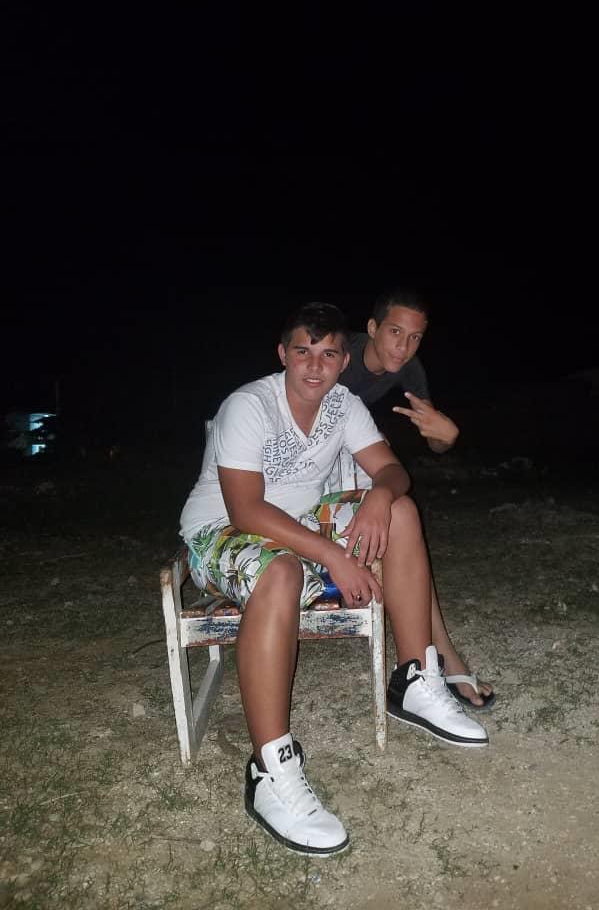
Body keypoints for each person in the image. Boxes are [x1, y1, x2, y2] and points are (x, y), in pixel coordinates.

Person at [179, 301, 487, 858]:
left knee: (401, 512)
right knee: (281, 571)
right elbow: (246, 511)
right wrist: (335, 556)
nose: (315, 367)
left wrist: (380, 495)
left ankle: (414, 678)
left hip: (302, 523)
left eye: (327, 355)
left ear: (344, 361)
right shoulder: (248, 406)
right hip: (222, 530)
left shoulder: (343, 405)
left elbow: (392, 468)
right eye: (303, 352)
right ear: (283, 355)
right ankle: (270, 769)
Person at [336, 287, 495, 710]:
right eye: (394, 332)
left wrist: (447, 438)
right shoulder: (340, 356)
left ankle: (433, 656)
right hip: (310, 473)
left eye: (414, 337)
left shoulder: (409, 369)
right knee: (396, 528)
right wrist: (364, 441)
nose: (403, 347)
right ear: (371, 328)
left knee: (402, 531)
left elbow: (434, 438)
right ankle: (435, 657)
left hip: (350, 465)